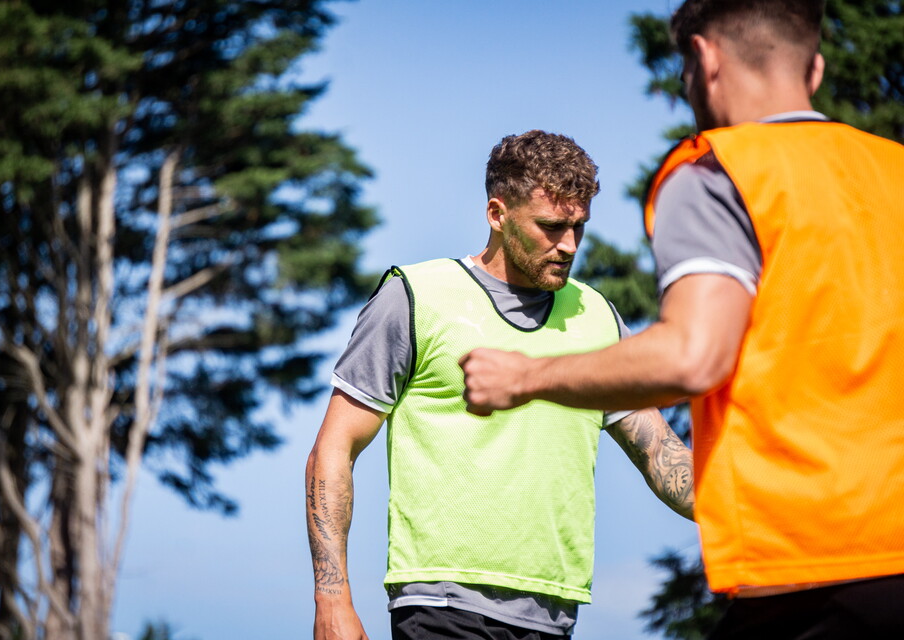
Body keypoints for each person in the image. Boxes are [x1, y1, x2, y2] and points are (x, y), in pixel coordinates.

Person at [459, 1, 904, 638]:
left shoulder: (719, 171)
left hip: (810, 569)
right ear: (815, 68)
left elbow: (695, 354)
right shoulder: (894, 169)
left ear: (704, 58)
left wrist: (524, 378)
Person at [306, 130, 694, 640]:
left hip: (555, 613)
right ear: (497, 214)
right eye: (552, 227)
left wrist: (765, 505)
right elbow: (334, 448)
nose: (569, 245)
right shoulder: (417, 295)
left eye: (579, 227)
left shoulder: (597, 316)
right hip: (442, 605)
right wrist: (332, 599)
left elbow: (661, 454)